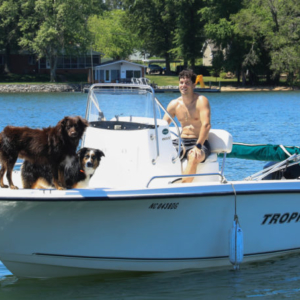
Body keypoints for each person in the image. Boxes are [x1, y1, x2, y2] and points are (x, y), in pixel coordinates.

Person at [163, 69, 211, 183]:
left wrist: (198, 146)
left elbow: (206, 125)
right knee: (160, 153)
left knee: (194, 156)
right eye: (181, 82)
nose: (183, 85)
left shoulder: (201, 101)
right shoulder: (174, 104)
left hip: (200, 142)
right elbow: (162, 126)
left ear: (194, 85)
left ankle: (182, 189)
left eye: (187, 83)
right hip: (182, 141)